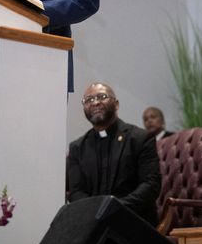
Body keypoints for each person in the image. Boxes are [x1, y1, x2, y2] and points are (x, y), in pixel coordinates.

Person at [67, 83, 162, 226]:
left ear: (116, 104)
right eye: (89, 100)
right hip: (94, 224)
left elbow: (150, 185)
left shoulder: (140, 139)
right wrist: (95, 213)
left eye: (102, 97)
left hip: (134, 221)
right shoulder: (77, 148)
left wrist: (115, 210)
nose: (95, 103)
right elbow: (76, 192)